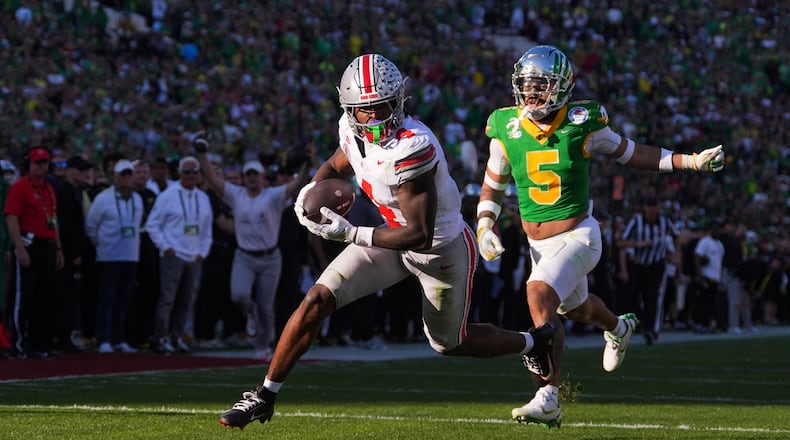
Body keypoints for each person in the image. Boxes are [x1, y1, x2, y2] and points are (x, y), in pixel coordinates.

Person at [217, 53, 553, 430]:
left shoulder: (413, 145)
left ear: (399, 101)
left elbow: (419, 233)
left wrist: (349, 233)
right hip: (387, 238)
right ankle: (264, 396)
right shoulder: (350, 128)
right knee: (316, 299)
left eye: (383, 107)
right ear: (350, 109)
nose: (375, 117)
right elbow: (333, 167)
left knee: (449, 343)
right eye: (366, 110)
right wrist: (309, 194)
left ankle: (532, 342)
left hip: (439, 250)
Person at [474, 45, 725, 427]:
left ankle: (548, 396)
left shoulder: (582, 123)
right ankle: (618, 327)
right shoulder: (506, 126)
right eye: (526, 86)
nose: (532, 94)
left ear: (561, 87)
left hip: (579, 235)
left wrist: (689, 161)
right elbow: (493, 184)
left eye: (541, 86)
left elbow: (632, 153)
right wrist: (485, 225)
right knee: (574, 309)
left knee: (538, 293)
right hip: (538, 245)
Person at [195, 138, 310, 360]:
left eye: (254, 174)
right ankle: (251, 315)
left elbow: (297, 185)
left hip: (269, 258)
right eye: (247, 174)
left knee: (266, 307)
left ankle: (263, 346)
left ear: (262, 177)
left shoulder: (273, 195)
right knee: (238, 295)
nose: (250, 178)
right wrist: (202, 154)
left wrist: (306, 164)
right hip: (244, 256)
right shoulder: (236, 194)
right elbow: (212, 179)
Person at [145, 156, 212, 354]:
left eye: (195, 172)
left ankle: (177, 336)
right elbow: (152, 224)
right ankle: (162, 337)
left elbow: (207, 230)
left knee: (186, 301)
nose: (191, 175)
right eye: (187, 171)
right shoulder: (168, 195)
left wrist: (203, 252)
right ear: (179, 173)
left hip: (194, 256)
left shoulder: (203, 197)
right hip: (173, 254)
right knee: (167, 298)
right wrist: (165, 247)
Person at [4, 146, 65, 358]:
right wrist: (20, 249)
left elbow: (53, 220)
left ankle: (39, 343)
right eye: (37, 163)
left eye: (44, 163)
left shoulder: (48, 188)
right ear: (28, 165)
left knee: (44, 297)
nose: (41, 167)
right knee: (23, 297)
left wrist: (57, 247)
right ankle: (18, 344)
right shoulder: (20, 187)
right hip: (29, 244)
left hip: (46, 245)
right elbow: (11, 218)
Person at [84, 159, 144, 353]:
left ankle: (119, 338)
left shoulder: (137, 199)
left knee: (123, 299)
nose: (127, 178)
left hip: (130, 254)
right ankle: (104, 338)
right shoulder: (104, 198)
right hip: (109, 255)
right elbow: (91, 226)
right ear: (115, 176)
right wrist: (102, 244)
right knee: (107, 298)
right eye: (123, 174)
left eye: (129, 174)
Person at [617, 195, 679, 344]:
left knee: (655, 297)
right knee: (637, 297)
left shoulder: (664, 221)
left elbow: (677, 235)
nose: (651, 211)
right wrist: (639, 244)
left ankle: (652, 330)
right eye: (649, 208)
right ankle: (638, 326)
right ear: (645, 209)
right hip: (639, 265)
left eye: (654, 207)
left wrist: (676, 253)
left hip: (657, 265)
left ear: (658, 208)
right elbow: (621, 243)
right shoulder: (636, 222)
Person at [54, 154, 94, 351]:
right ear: (70, 170)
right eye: (80, 169)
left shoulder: (79, 191)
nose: (84, 173)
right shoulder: (64, 192)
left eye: (85, 170)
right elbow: (65, 225)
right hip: (68, 252)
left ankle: (65, 335)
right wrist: (71, 251)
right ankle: (61, 336)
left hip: (76, 251)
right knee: (64, 295)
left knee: (71, 295)